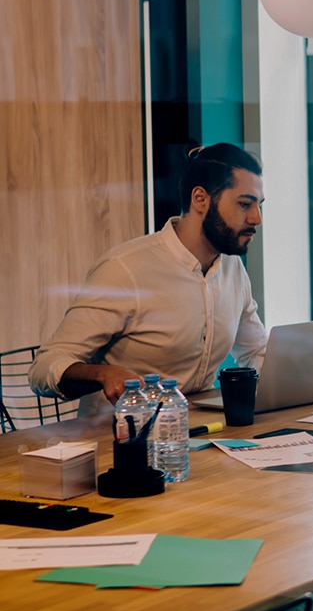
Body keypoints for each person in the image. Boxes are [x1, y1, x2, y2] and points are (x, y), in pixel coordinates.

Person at [30, 142, 268, 417]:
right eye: (244, 204)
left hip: (196, 435)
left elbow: (255, 352)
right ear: (200, 199)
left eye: (259, 205)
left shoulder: (233, 268)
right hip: (119, 440)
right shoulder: (125, 269)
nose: (257, 218)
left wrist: (308, 375)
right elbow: (44, 367)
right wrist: (103, 374)